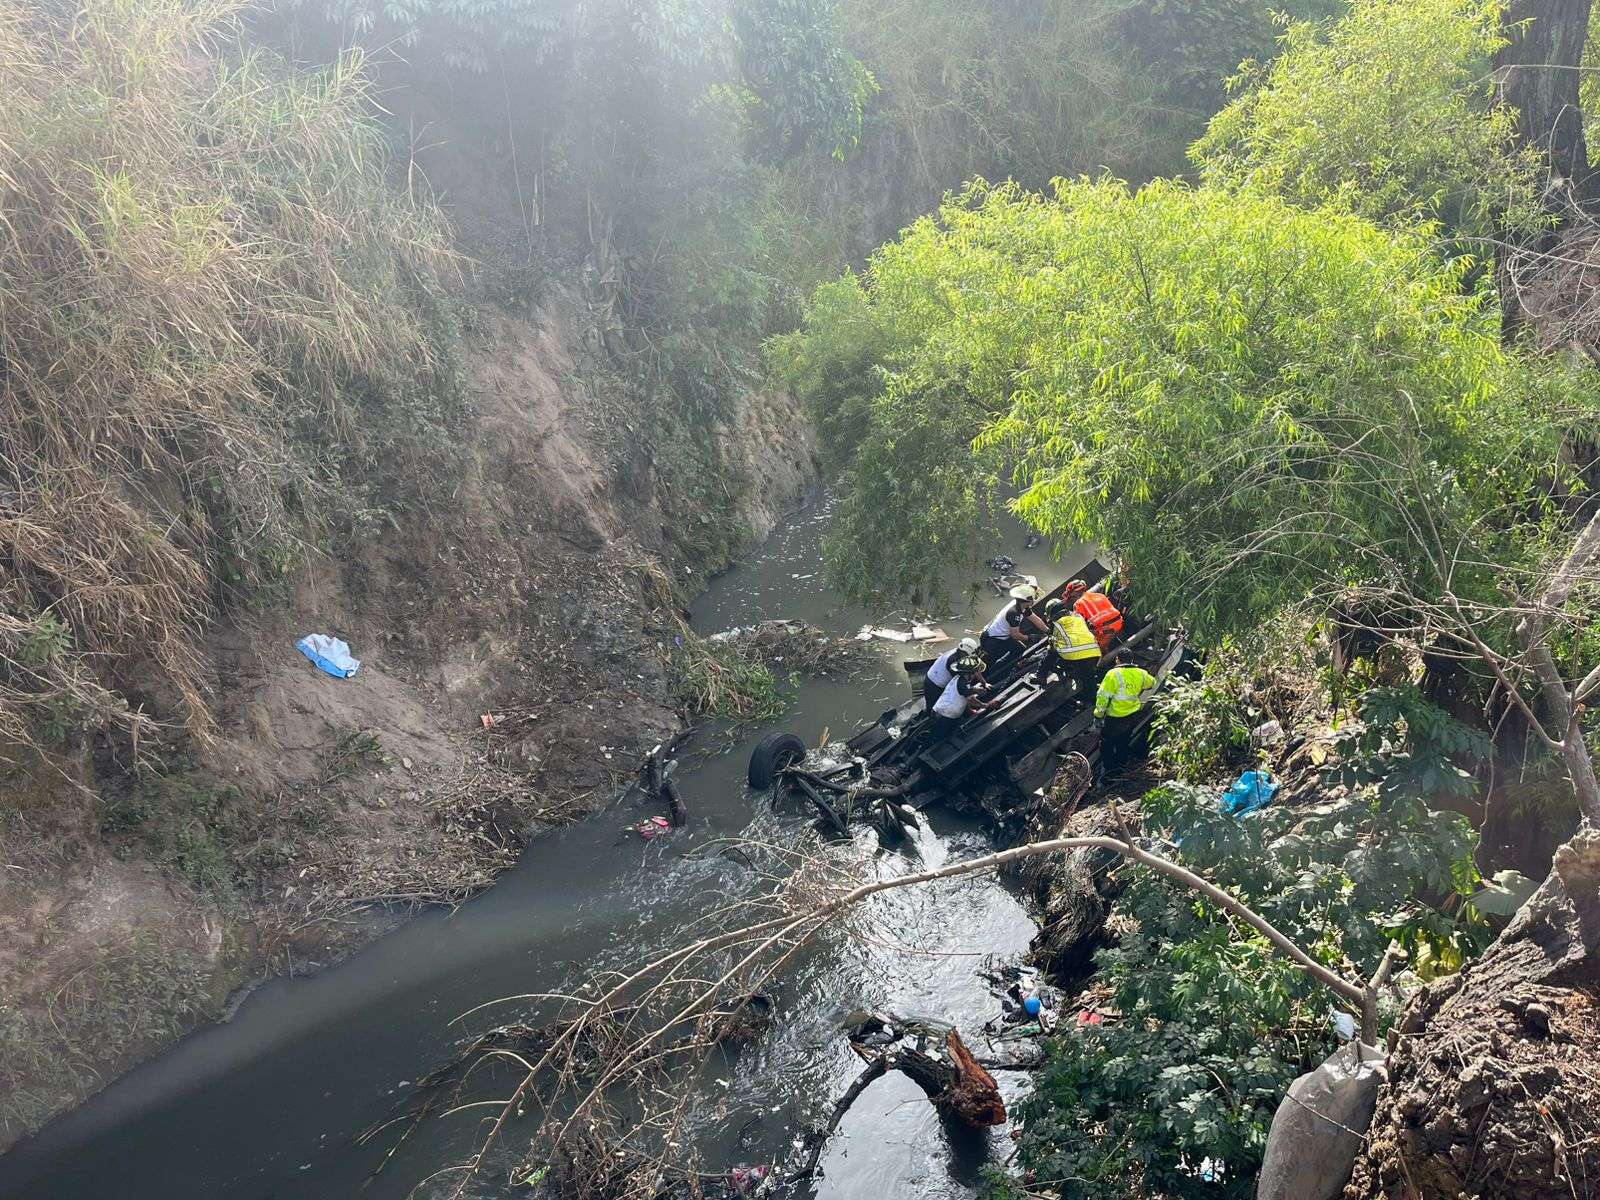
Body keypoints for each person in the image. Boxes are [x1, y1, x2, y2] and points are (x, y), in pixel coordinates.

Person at [1093, 653, 1159, 779]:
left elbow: (1102, 696)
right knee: (1123, 740)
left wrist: (1099, 714)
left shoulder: (1112, 674)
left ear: (1117, 659)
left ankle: (1110, 772)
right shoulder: (1141, 672)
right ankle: (1121, 765)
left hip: (1115, 717)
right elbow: (1152, 684)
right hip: (1133, 714)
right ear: (1132, 659)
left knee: (1107, 744)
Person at [1033, 598, 1101, 696]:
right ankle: (1091, 697)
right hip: (1094, 653)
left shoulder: (1055, 623)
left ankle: (1040, 675)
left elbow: (1053, 642)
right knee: (1089, 679)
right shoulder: (1078, 616)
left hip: (1073, 656)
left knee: (1052, 648)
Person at [980, 583, 1047, 673]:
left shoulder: (1023, 607)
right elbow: (1015, 635)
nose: (1034, 600)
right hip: (993, 641)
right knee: (988, 664)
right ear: (1027, 600)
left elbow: (1035, 619)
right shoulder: (1014, 612)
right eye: (1033, 598)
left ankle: (1005, 669)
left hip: (1003, 637)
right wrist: (1029, 637)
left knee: (1020, 649)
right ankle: (992, 676)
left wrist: (1048, 630)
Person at [930, 654, 993, 739]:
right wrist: (986, 705)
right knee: (941, 738)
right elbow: (971, 700)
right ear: (970, 673)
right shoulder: (962, 684)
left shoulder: (960, 679)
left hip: (945, 714)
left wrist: (975, 691)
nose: (975, 675)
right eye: (975, 673)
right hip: (943, 717)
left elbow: (965, 694)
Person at [922, 637, 981, 713]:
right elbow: (961, 687)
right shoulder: (953, 662)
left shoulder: (960, 654)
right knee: (933, 708)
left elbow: (974, 669)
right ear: (964, 653)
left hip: (938, 677)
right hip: (933, 683)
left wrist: (984, 683)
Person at [1074, 586, 1125, 652]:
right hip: (1120, 624)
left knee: (1094, 647)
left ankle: (1109, 658)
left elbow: (1080, 626)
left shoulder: (1078, 604)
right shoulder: (1100, 595)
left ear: (1074, 594)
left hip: (1106, 631)